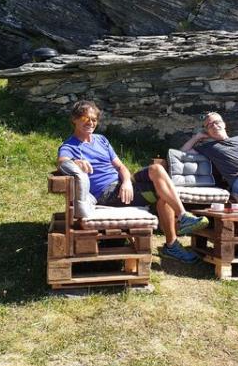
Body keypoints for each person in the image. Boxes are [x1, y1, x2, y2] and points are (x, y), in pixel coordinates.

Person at [57, 101, 208, 263]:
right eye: (86, 118)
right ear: (75, 119)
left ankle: (183, 217)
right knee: (162, 194)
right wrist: (75, 162)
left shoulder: (101, 140)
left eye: (94, 119)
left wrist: (127, 181)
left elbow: (120, 166)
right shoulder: (70, 146)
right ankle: (172, 244)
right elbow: (62, 161)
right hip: (107, 194)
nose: (91, 123)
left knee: (156, 170)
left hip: (121, 185)